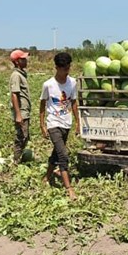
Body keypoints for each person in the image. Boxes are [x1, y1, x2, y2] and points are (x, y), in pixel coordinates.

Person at [39, 52, 80, 200]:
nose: (66, 72)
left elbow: (74, 102)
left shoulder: (73, 82)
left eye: (68, 68)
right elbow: (42, 105)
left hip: (66, 122)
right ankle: (69, 188)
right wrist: (42, 125)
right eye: (63, 69)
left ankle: (47, 177)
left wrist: (78, 123)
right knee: (63, 155)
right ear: (56, 67)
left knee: (56, 153)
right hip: (53, 124)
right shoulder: (48, 85)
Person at [9, 49, 31, 164]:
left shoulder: (21, 74)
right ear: (17, 62)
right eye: (23, 59)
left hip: (24, 111)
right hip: (21, 111)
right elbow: (14, 94)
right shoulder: (16, 75)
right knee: (21, 136)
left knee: (25, 136)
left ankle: (19, 159)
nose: (26, 60)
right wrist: (18, 115)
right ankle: (16, 161)